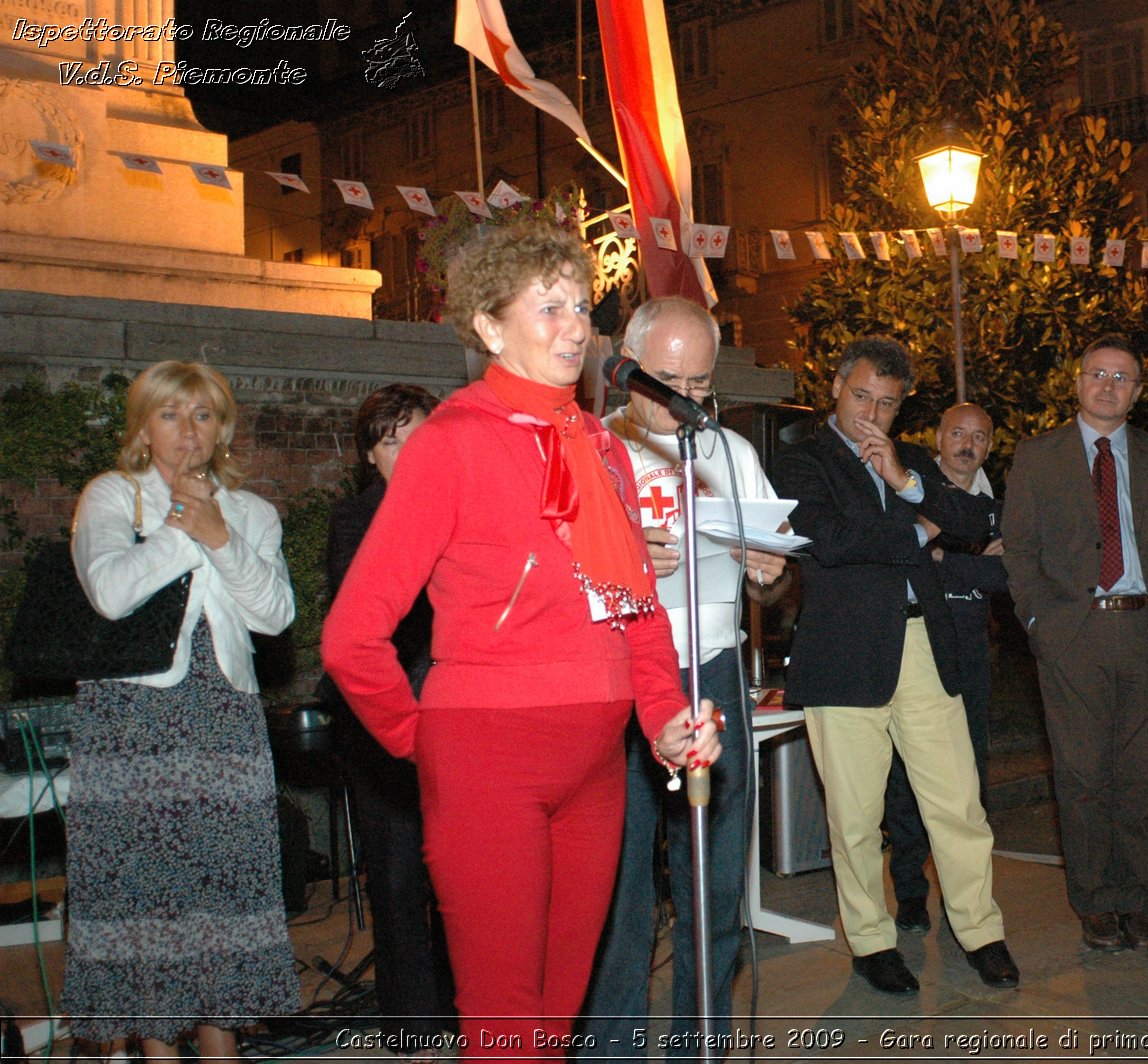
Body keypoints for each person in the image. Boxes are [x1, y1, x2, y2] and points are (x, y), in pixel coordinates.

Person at [321, 223, 720, 1057]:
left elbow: (638, 610)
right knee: (504, 1020)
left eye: (581, 305)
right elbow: (353, 636)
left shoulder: (602, 447)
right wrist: (422, 743)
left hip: (596, 770)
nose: (576, 325)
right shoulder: (452, 443)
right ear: (490, 328)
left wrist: (665, 721)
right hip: (486, 763)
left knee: (555, 1016)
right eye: (548, 307)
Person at [62, 360, 299, 1061]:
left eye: (201, 415)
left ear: (221, 427)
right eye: (169, 415)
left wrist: (220, 533)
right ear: (143, 427)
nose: (187, 431)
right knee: (144, 904)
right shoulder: (111, 497)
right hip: (129, 725)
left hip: (222, 720)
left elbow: (275, 615)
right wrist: (182, 527)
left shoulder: (253, 512)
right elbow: (109, 592)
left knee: (219, 908)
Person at [770, 336, 1018, 995]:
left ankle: (979, 931)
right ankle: (872, 941)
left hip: (925, 649)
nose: (870, 415)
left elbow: (976, 512)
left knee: (959, 803)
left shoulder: (910, 461)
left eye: (885, 404)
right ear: (834, 388)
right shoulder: (802, 464)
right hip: (845, 655)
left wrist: (908, 485)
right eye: (860, 398)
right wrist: (918, 528)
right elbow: (831, 542)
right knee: (854, 818)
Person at [580, 297, 787, 1055]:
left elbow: (770, 577)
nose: (685, 402)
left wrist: (769, 574)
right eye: (667, 381)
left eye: (701, 384)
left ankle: (699, 1045)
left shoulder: (731, 453)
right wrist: (617, 562)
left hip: (713, 670)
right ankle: (614, 1049)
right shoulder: (593, 450)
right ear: (627, 370)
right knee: (621, 887)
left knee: (716, 881)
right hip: (618, 677)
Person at [1003, 335, 1148, 954]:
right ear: (1078, 381)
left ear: (1138, 392)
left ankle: (1136, 901)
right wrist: (1039, 623)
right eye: (1098, 374)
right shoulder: (1037, 457)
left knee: (1145, 781)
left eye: (1122, 378)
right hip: (1075, 636)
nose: (1108, 386)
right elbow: (1019, 549)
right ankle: (1094, 903)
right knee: (1084, 778)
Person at [317, 384, 455, 1055]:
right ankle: (413, 1028)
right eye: (391, 438)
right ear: (371, 455)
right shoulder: (357, 518)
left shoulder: (461, 510)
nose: (407, 449)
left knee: (458, 877)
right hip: (383, 722)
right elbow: (366, 623)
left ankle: (470, 1017)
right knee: (398, 879)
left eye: (420, 434)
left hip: (456, 717)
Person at [882, 402, 1006, 934]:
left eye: (979, 437)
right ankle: (910, 891)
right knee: (906, 781)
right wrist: (975, 560)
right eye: (957, 432)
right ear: (938, 435)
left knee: (967, 781)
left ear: (990, 445)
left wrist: (943, 559)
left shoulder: (1002, 502)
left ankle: (967, 906)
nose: (967, 444)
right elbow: (899, 555)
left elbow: (1009, 574)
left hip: (971, 652)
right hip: (914, 644)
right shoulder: (909, 485)